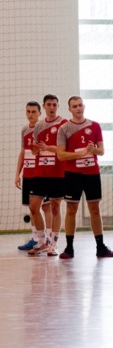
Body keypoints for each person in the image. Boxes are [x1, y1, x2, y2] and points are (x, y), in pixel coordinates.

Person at [56, 96, 113, 259]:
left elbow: (101, 151)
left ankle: (100, 247)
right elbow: (60, 155)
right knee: (71, 209)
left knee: (95, 209)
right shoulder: (64, 128)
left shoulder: (94, 126)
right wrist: (80, 153)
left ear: (84, 106)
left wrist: (93, 150)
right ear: (69, 109)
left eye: (80, 105)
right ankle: (69, 247)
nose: (78, 108)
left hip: (92, 173)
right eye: (74, 106)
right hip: (72, 174)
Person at [29, 94, 68, 256]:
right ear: (44, 106)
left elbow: (64, 150)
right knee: (33, 207)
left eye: (54, 105)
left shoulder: (64, 124)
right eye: (49, 105)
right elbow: (35, 150)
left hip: (57, 172)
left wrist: (49, 148)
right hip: (40, 172)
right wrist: (35, 149)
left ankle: (53, 244)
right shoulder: (39, 125)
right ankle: (41, 241)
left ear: (58, 106)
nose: (51, 107)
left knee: (55, 207)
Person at [15, 101, 52, 252]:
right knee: (32, 208)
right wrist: (18, 174)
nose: (31, 115)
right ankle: (35, 238)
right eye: (28, 112)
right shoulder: (24, 130)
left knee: (46, 206)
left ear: (39, 113)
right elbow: (23, 152)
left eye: (34, 112)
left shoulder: (43, 128)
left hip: (41, 174)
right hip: (28, 175)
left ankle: (49, 239)